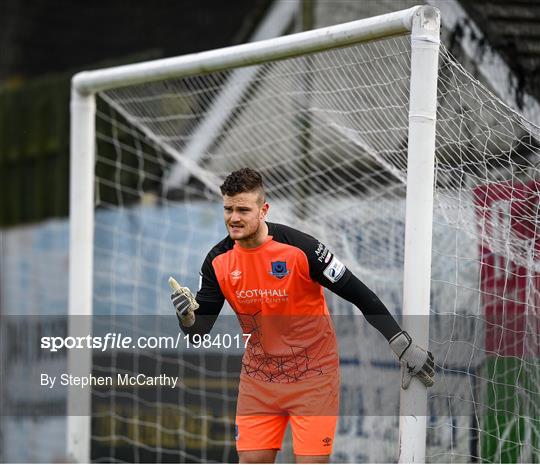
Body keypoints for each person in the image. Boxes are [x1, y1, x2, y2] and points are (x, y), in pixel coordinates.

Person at [171, 168, 434, 464]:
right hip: (260, 379)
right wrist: (187, 318)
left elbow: (360, 295)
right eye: (228, 209)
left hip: (313, 377)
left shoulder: (302, 249)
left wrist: (400, 342)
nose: (234, 218)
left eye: (243, 209)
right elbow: (198, 331)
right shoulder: (217, 261)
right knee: (252, 460)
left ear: (263, 210)